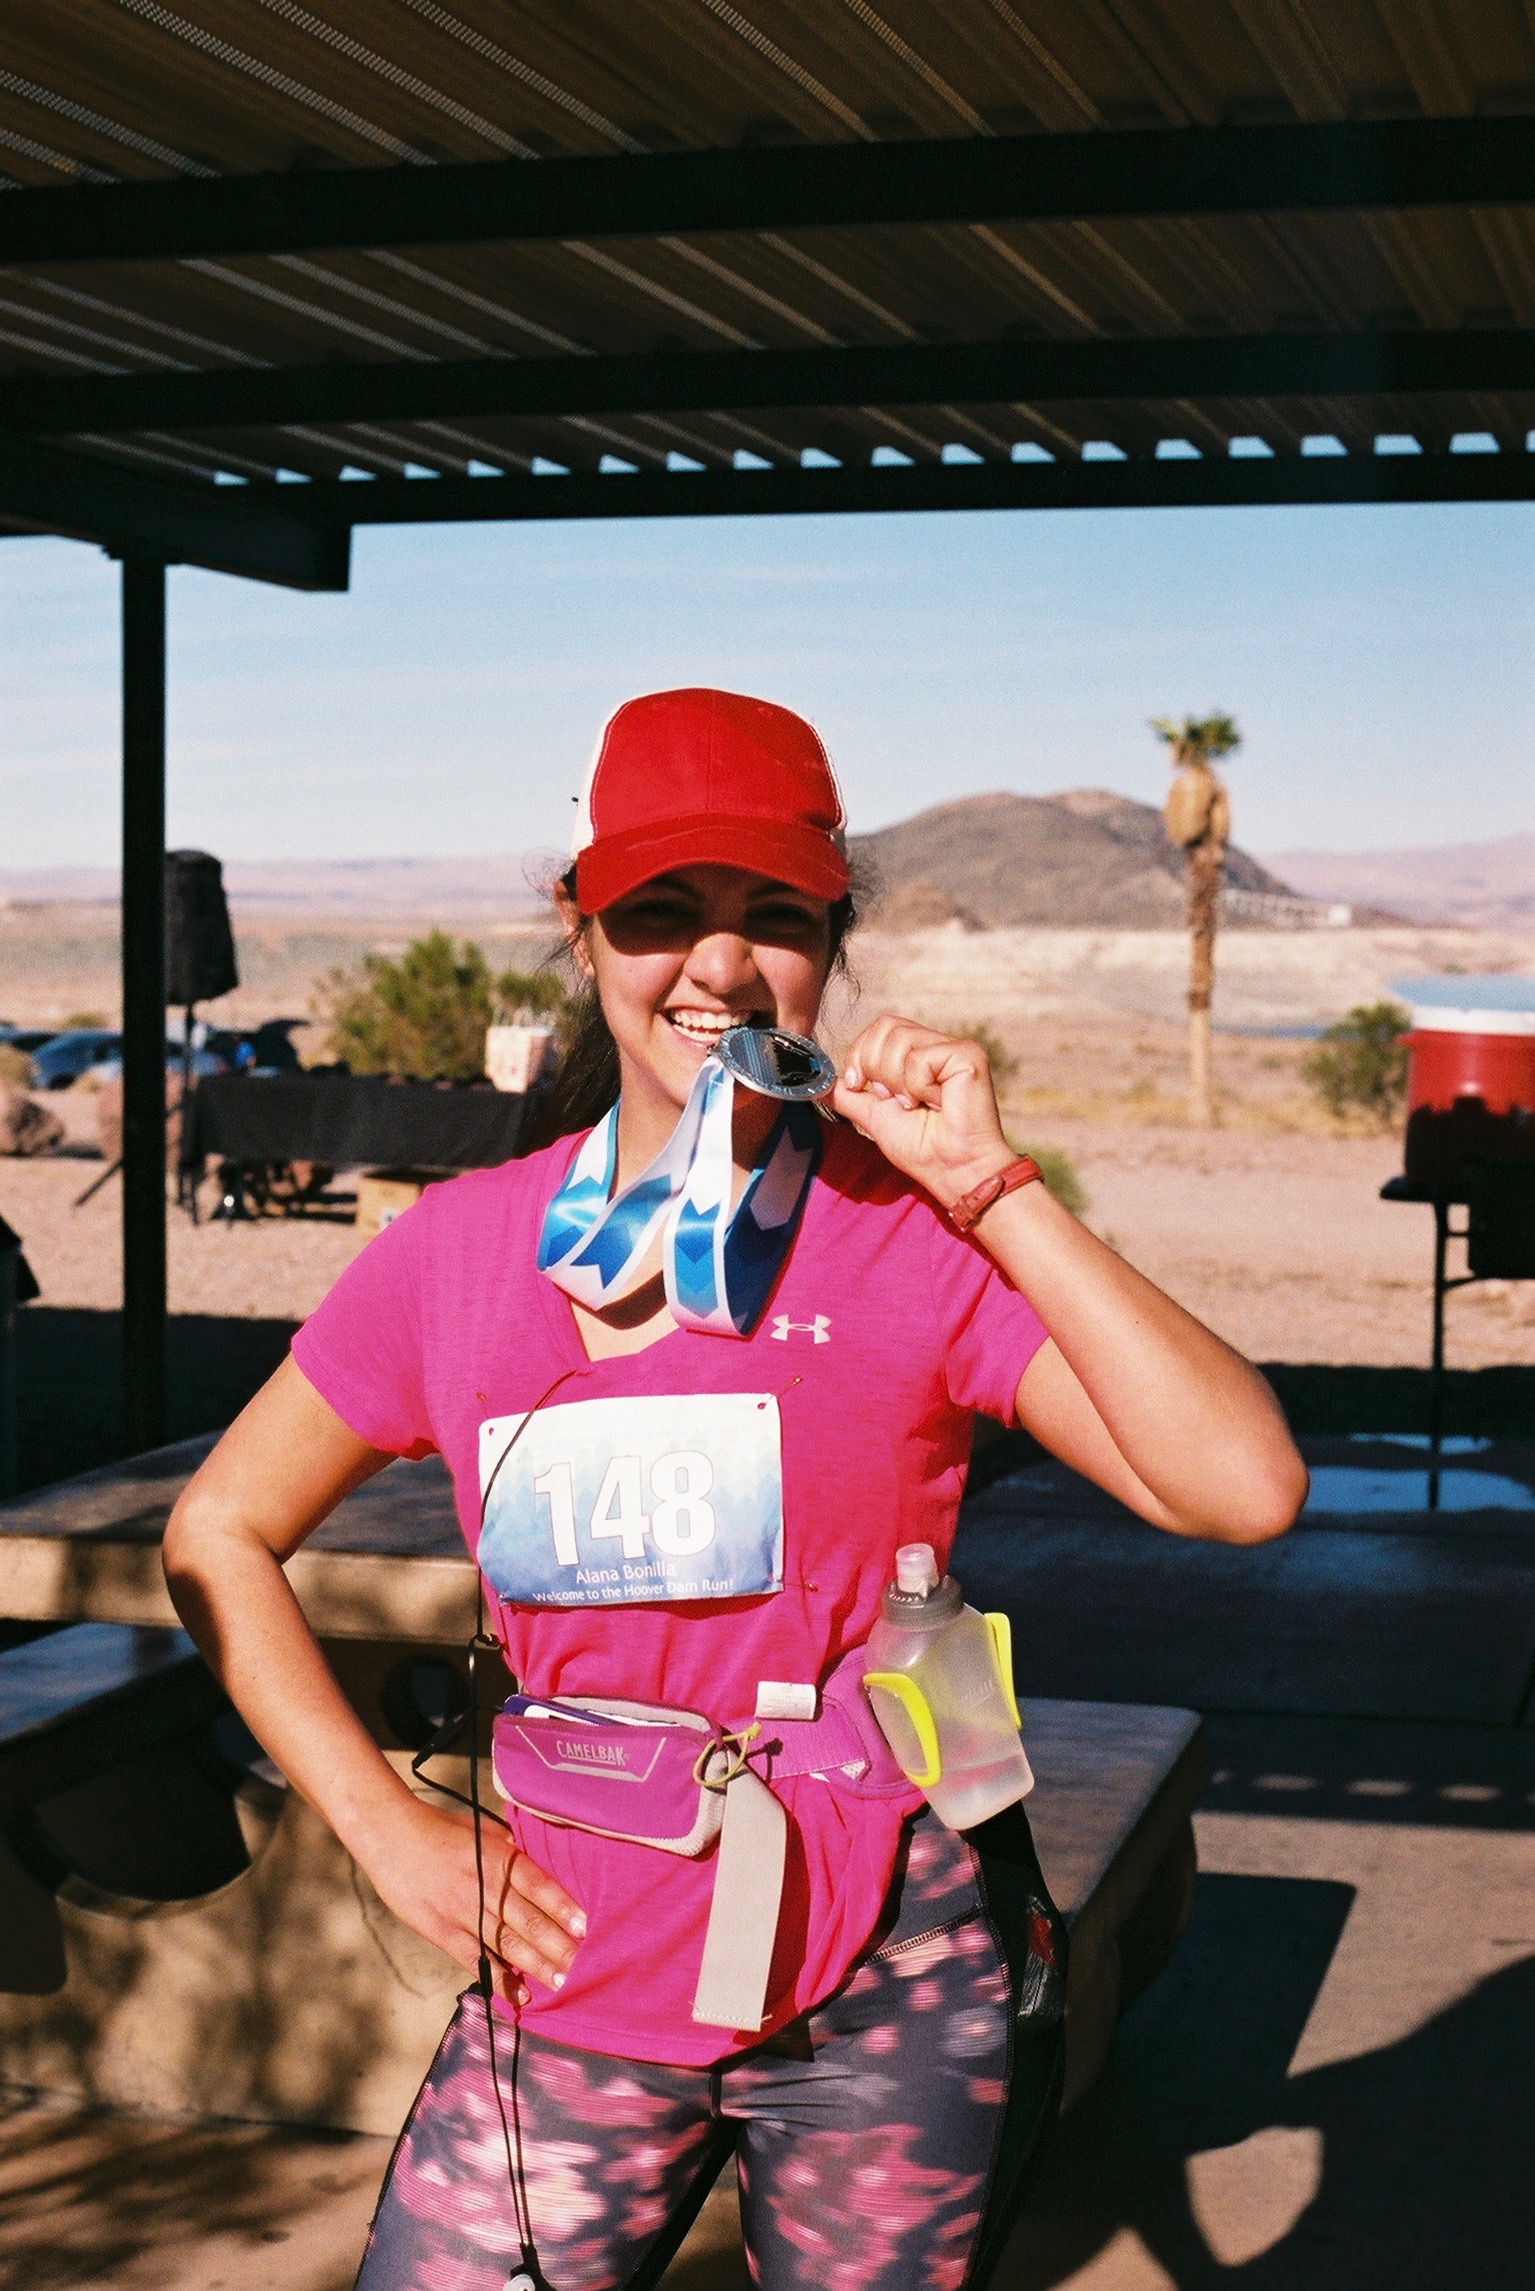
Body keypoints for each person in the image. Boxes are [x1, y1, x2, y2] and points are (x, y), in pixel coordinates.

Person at [163, 688, 1306, 2291]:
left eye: (776, 914)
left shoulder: (913, 1239)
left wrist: (991, 1190)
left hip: (892, 1977)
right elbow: (219, 1530)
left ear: (834, 944)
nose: (717, 964)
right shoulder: (456, 1255)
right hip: (571, 1968)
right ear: (581, 932)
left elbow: (1243, 1487)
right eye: (661, 913)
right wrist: (384, 1831)